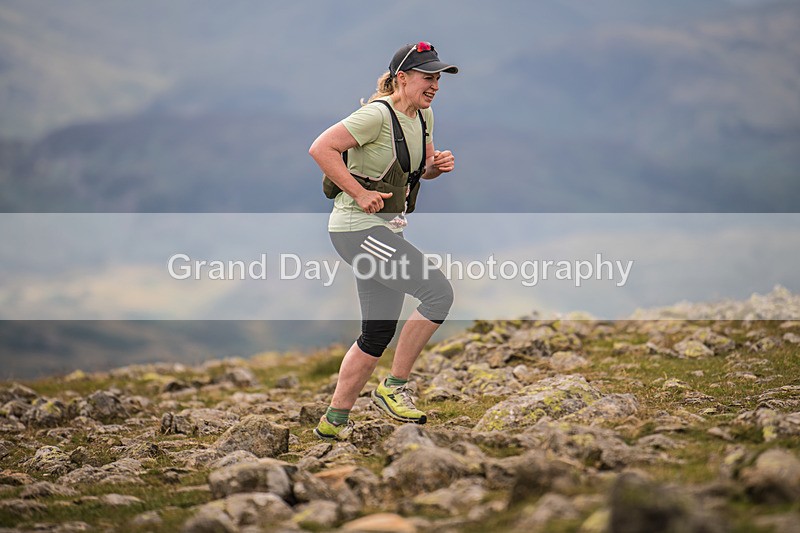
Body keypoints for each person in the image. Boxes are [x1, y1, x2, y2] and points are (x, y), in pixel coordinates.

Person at [308, 42, 459, 440]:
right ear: (403, 78)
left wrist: (435, 168)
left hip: (384, 231)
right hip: (359, 231)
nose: (435, 85)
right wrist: (359, 194)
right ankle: (393, 388)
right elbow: (321, 148)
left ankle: (333, 422)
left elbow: (419, 169)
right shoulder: (375, 115)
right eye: (429, 77)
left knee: (376, 333)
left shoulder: (424, 116)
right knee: (438, 294)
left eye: (438, 78)